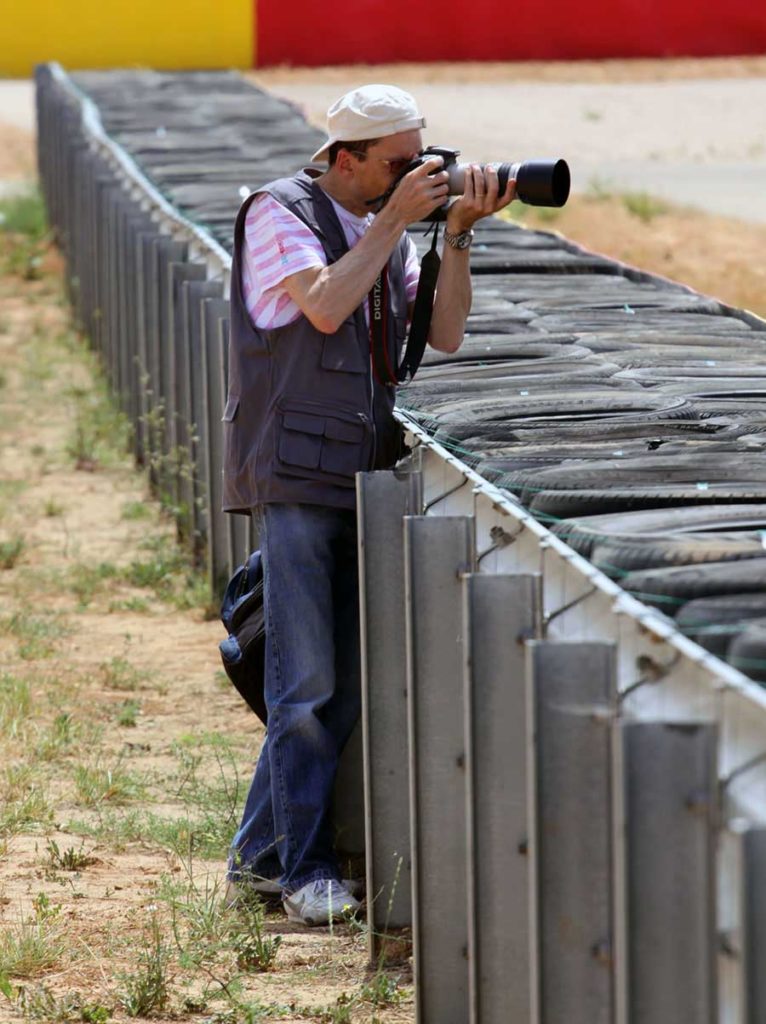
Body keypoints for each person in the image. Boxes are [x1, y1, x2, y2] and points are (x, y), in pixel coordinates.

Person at [222, 84, 515, 926]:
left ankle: (258, 863)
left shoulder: (382, 226)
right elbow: (320, 305)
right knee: (305, 684)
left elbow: (446, 333)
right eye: (397, 163)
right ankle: (301, 871)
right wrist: (392, 224)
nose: (413, 173)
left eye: (423, 157)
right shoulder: (276, 211)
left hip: (363, 473)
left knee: (337, 690)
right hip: (298, 476)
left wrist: (453, 234)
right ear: (345, 159)